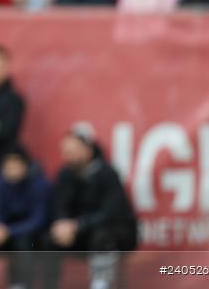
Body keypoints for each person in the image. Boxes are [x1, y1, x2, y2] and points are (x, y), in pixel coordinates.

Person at [42, 123, 138, 289]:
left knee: (101, 237)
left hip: (113, 233)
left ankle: (101, 284)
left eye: (72, 151)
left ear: (87, 150)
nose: (67, 156)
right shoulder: (65, 175)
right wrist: (62, 225)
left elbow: (111, 213)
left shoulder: (107, 174)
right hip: (78, 233)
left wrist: (78, 226)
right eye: (65, 152)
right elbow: (59, 205)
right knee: (48, 240)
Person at [0, 145, 51, 289]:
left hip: (30, 236)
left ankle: (22, 284)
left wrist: (9, 231)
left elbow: (38, 220)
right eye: (8, 166)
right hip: (4, 234)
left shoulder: (39, 185)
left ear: (25, 166)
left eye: (15, 166)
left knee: (24, 243)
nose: (11, 170)